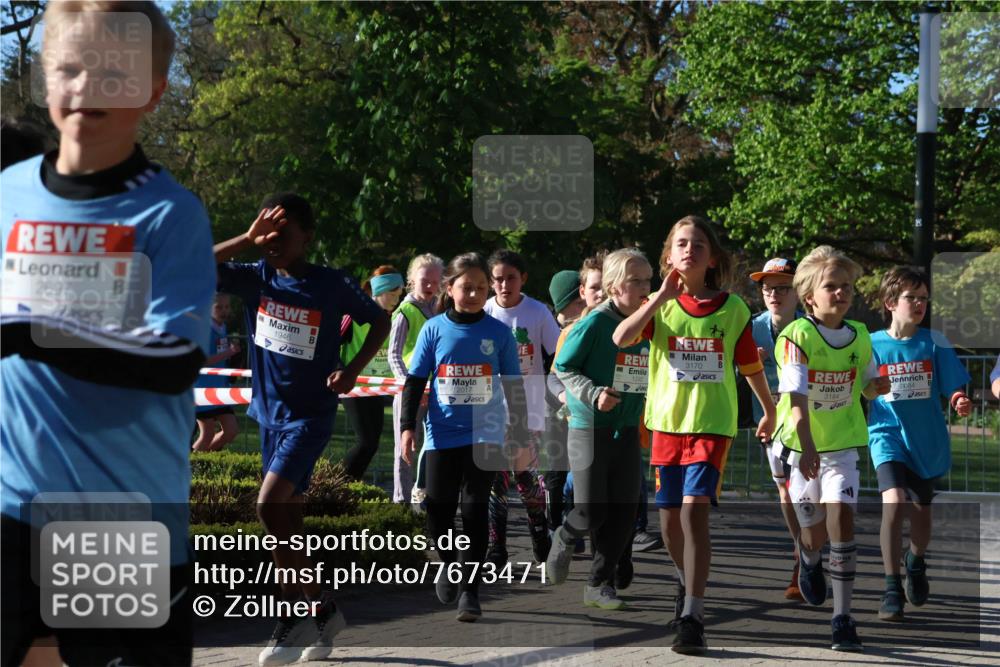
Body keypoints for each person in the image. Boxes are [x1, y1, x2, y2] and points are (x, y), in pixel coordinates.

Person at [1, 3, 215, 665]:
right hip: (12, 506)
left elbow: (174, 358)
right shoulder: (6, 192)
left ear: (154, 89)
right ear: (44, 77)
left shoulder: (168, 212)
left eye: (111, 72)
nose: (85, 87)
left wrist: (30, 333)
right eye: (69, 68)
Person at [214, 194, 390, 665]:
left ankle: (292, 620)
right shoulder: (256, 277)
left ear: (307, 237)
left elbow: (381, 319)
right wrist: (246, 239)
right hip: (269, 416)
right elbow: (193, 265)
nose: (272, 243)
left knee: (268, 506)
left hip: (311, 417)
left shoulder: (331, 284)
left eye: (282, 235)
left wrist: (352, 369)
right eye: (266, 234)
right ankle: (323, 610)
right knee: (286, 523)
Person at [613, 215, 776, 654]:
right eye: (681, 243)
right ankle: (685, 581)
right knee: (669, 524)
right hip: (666, 425)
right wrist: (659, 297)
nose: (689, 250)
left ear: (713, 256)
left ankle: (693, 615)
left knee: (692, 512)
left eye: (698, 244)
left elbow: (750, 366)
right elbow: (622, 337)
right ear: (669, 255)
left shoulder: (734, 309)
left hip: (711, 426)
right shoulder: (659, 305)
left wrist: (770, 408)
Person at [771, 245, 890, 652]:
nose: (841, 293)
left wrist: (876, 387)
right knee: (814, 534)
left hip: (841, 446)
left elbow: (867, 383)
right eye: (831, 287)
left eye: (846, 287)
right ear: (810, 297)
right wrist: (806, 450)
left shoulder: (859, 335)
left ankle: (843, 618)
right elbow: (798, 404)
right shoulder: (796, 336)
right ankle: (807, 559)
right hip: (802, 446)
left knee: (842, 521)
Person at [399, 252, 528, 622]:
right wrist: (408, 427)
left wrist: (518, 434)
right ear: (450, 288)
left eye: (480, 288)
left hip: (485, 434)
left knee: (473, 511)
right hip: (442, 434)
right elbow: (415, 381)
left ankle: (470, 592)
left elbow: (514, 385)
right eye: (466, 287)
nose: (473, 294)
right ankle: (450, 564)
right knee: (437, 513)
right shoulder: (434, 328)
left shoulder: (498, 333)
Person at [547, 248, 652, 611]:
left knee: (623, 515)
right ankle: (564, 535)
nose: (643, 288)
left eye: (647, 280)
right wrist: (593, 394)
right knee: (593, 510)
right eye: (634, 280)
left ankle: (598, 584)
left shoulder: (649, 324)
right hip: (589, 427)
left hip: (626, 431)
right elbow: (563, 366)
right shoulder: (594, 323)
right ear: (612, 286)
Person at [868, 266, 971, 621]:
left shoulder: (935, 341)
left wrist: (958, 398)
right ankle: (891, 586)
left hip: (925, 441)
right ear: (890, 302)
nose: (920, 303)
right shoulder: (870, 344)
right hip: (887, 435)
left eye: (925, 298)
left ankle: (915, 560)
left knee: (922, 513)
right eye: (913, 297)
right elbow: (860, 387)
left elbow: (953, 384)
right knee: (894, 503)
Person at [484, 249, 559, 565]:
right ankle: (496, 548)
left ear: (522, 279)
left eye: (510, 278)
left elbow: (559, 352)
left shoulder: (538, 312)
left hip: (528, 409)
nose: (504, 285)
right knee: (495, 479)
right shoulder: (485, 311)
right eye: (498, 279)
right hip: (491, 409)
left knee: (525, 479)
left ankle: (539, 528)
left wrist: (555, 393)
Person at [748, 258, 805, 600]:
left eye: (782, 287)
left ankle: (808, 555)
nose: (774, 294)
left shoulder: (810, 329)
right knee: (786, 493)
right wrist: (745, 364)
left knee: (806, 494)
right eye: (767, 288)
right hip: (769, 422)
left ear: (798, 291)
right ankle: (802, 555)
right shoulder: (751, 328)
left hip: (807, 421)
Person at [388, 254, 444, 505]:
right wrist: (411, 386)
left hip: (440, 389)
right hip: (412, 391)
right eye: (425, 280)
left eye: (435, 281)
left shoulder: (442, 309)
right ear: (412, 280)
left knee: (436, 445)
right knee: (405, 449)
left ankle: (427, 497)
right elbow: (393, 355)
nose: (431, 286)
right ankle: (400, 502)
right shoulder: (405, 311)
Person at [339, 265, 404, 480]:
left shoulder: (394, 317)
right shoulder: (354, 315)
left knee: (372, 443)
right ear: (379, 291)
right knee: (366, 441)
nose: (397, 299)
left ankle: (347, 486)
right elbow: (331, 343)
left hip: (377, 386)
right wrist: (341, 372)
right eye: (393, 293)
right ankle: (337, 484)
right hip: (353, 384)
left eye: (400, 294)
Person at [192, 293, 242, 452]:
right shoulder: (203, 329)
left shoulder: (222, 328)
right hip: (203, 389)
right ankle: (195, 465)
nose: (224, 311)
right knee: (207, 434)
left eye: (227, 307)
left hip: (220, 389)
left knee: (231, 431)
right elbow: (201, 360)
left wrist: (232, 356)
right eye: (219, 307)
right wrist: (229, 352)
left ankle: (204, 460)